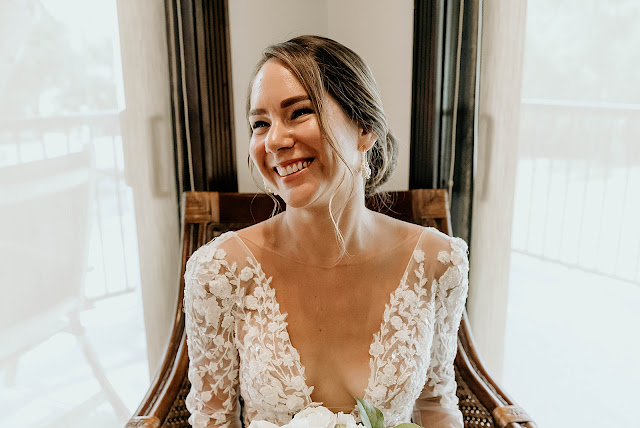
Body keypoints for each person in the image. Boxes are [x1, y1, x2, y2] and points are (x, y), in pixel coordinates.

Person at [183, 35, 468, 428]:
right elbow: (212, 419)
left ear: (365, 127)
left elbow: (436, 405)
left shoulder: (438, 261)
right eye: (260, 124)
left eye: (298, 112)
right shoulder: (217, 272)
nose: (275, 141)